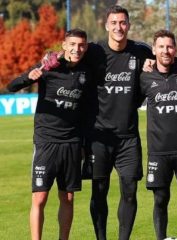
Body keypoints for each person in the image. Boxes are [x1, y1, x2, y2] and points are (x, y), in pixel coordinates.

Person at [7, 29, 90, 240]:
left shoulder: (87, 71)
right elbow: (12, 85)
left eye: (81, 45)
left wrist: (83, 144)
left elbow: (85, 111)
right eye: (72, 44)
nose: (76, 49)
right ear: (64, 45)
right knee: (40, 197)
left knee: (67, 198)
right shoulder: (48, 66)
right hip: (46, 141)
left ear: (86, 47)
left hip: (72, 142)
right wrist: (29, 76)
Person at [82, 5, 153, 240]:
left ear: (129, 25)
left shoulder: (141, 51)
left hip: (128, 138)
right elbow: (68, 57)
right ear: (106, 26)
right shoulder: (94, 52)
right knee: (99, 191)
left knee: (130, 191)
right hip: (99, 137)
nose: (118, 27)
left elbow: (168, 55)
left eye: (122, 22)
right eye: (114, 23)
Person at [140, 29, 177, 240]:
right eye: (161, 47)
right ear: (154, 49)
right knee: (160, 199)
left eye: (170, 46)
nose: (166, 50)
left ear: (175, 48)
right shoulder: (145, 77)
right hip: (159, 151)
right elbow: (128, 104)